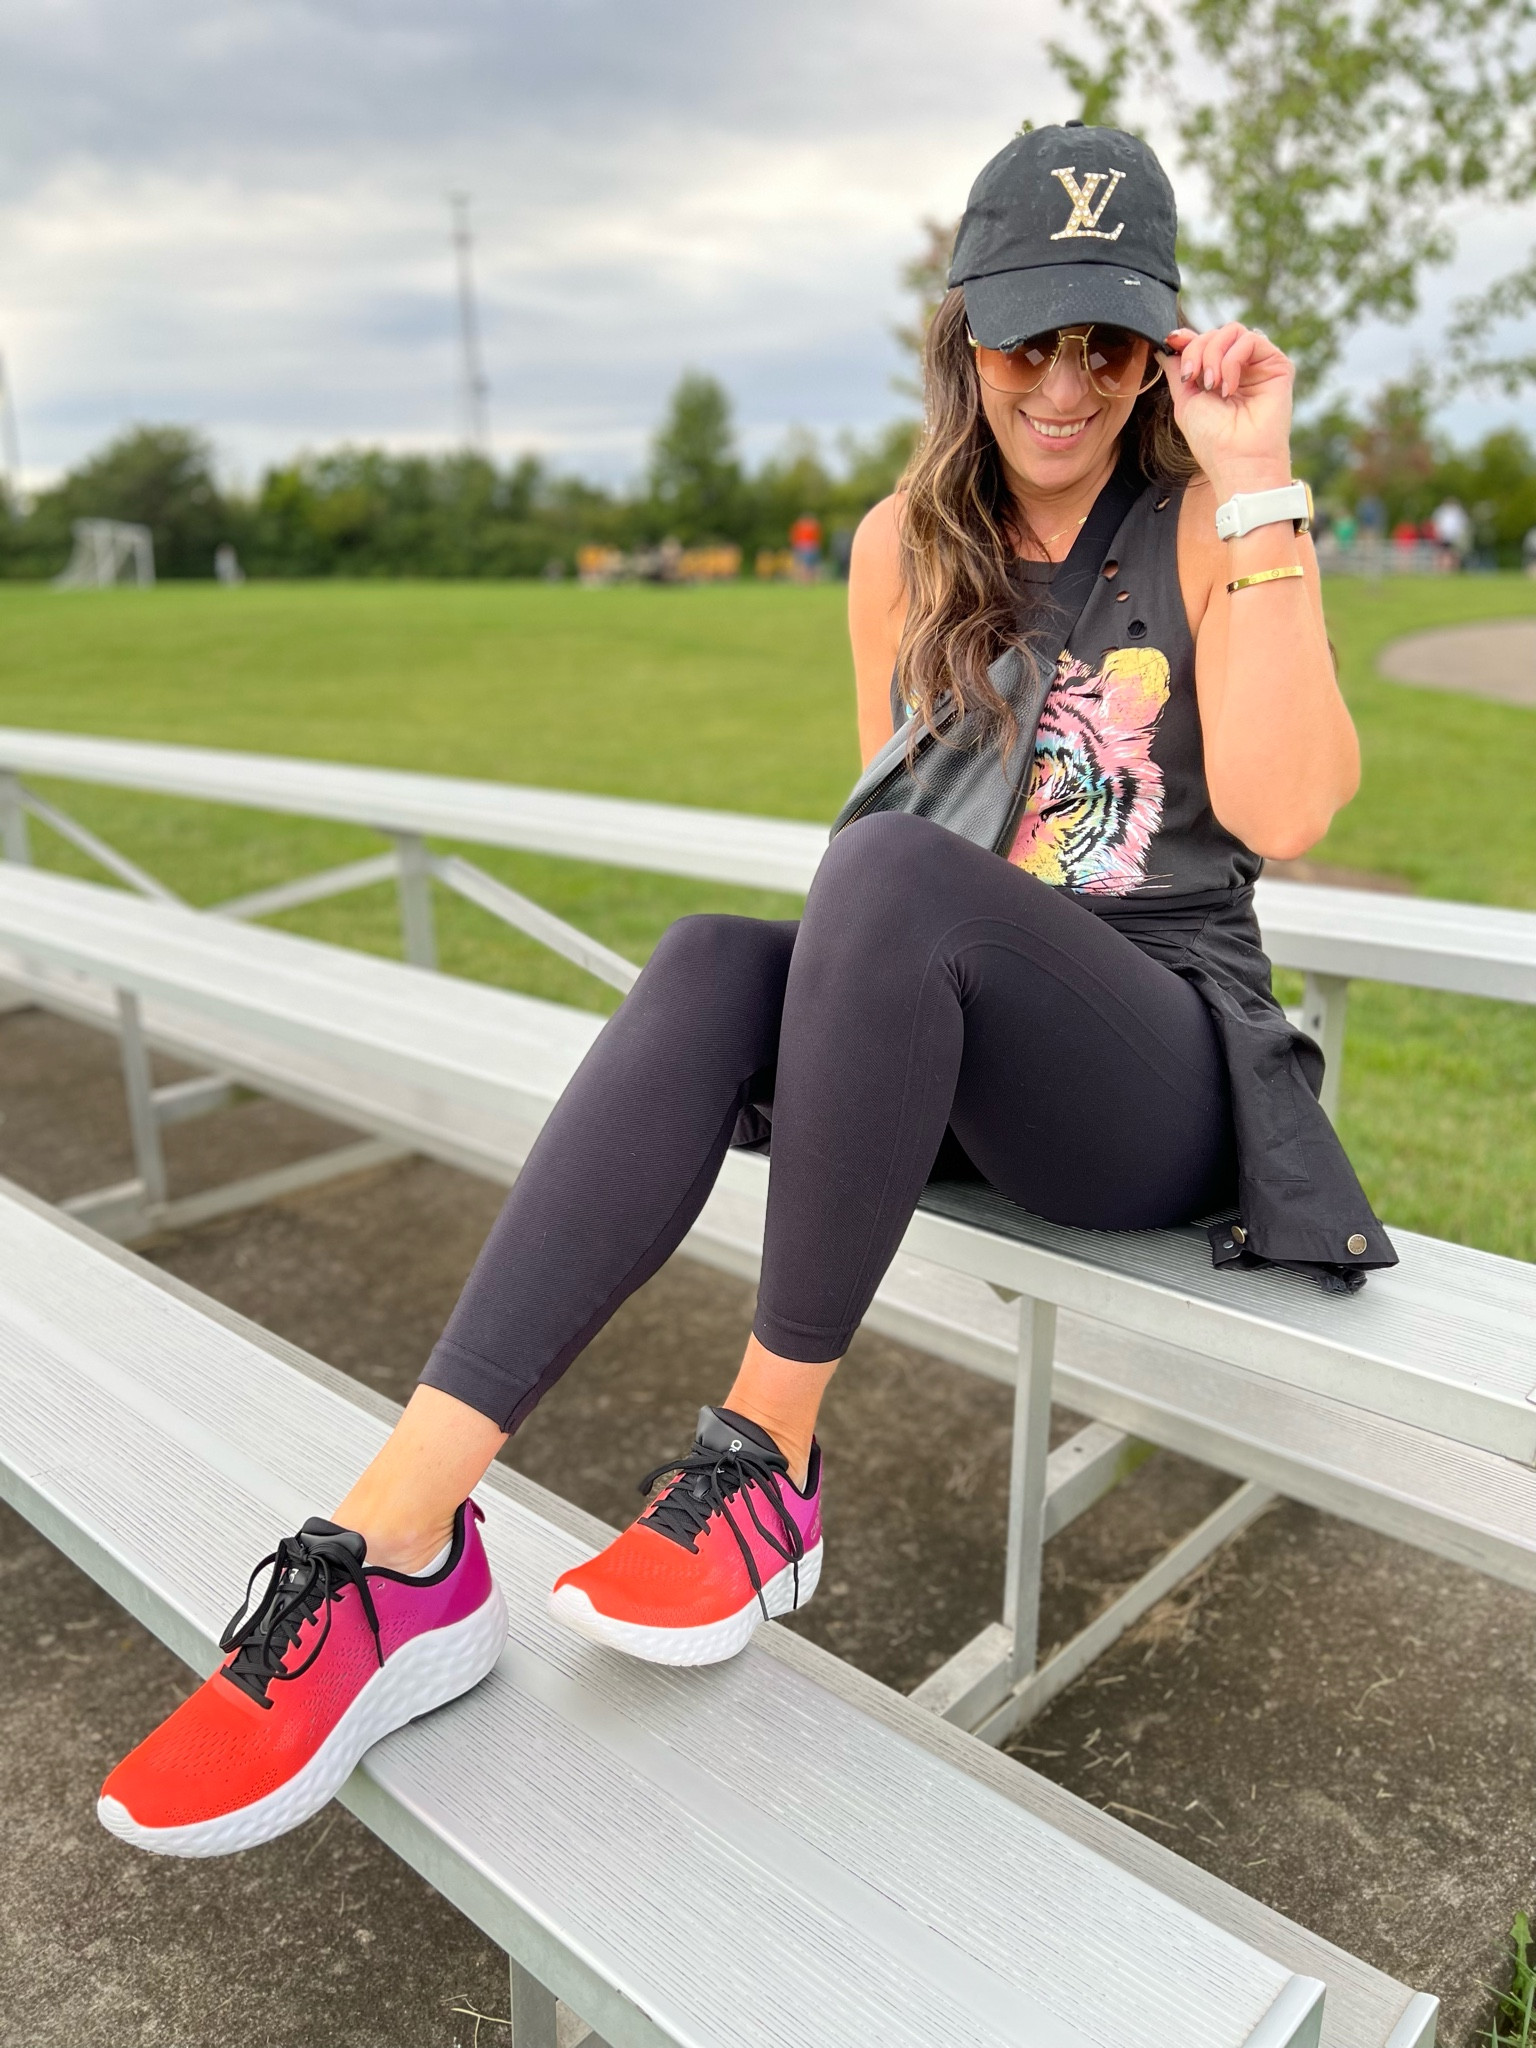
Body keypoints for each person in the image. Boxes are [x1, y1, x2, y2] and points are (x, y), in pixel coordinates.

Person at [96, 119, 1390, 1860]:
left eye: (1109, 341)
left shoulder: (1216, 522)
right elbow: (910, 827)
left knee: (881, 882)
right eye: (1028, 339)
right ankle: (401, 1546)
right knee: (717, 956)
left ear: (1161, 346)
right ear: (965, 336)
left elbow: (1295, 809)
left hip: (1157, 1068)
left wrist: (1264, 480)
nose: (1066, 385)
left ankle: (766, 1465)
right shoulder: (901, 548)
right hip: (966, 1027)